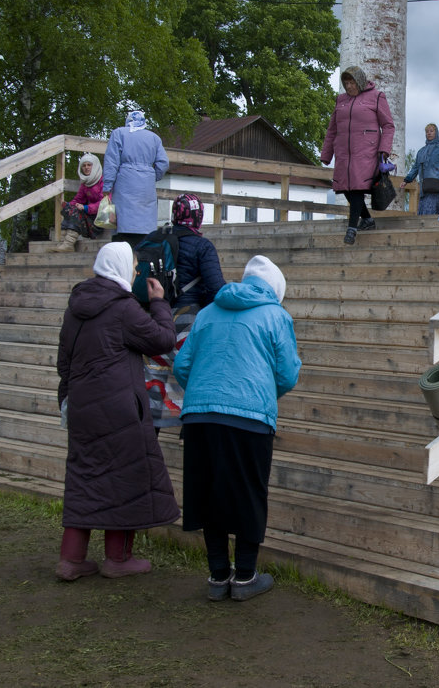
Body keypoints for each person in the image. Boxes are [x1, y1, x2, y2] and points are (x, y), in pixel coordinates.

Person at [173, 255, 301, 602]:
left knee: (207, 494)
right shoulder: (277, 316)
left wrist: (204, 391)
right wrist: (258, 391)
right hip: (249, 419)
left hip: (199, 416)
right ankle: (245, 577)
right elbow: (287, 373)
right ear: (276, 288)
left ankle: (217, 576)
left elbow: (182, 364)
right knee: (249, 494)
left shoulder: (208, 312)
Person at [55, 242, 179, 581]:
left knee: (84, 479)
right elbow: (162, 340)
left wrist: (68, 399)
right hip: (119, 409)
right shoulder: (123, 308)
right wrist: (158, 302)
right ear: (122, 268)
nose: (137, 272)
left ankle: (71, 560)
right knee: (127, 478)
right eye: (135, 267)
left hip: (82, 406)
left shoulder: (76, 306)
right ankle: (119, 559)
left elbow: (63, 362)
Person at [144, 193, 226, 424]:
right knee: (194, 374)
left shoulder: (153, 239)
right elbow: (216, 287)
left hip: (153, 317)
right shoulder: (202, 246)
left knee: (154, 376)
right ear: (198, 216)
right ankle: (188, 429)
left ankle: (150, 431)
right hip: (188, 320)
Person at [320, 66, 395, 245]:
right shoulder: (341, 100)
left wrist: (384, 149)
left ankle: (352, 228)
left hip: (366, 151)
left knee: (356, 188)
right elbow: (332, 130)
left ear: (360, 81)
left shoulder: (377, 96)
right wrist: (326, 153)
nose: (349, 86)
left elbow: (388, 125)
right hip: (344, 152)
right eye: (346, 83)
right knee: (344, 187)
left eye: (352, 82)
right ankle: (367, 219)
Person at [103, 109, 168, 248]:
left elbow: (111, 162)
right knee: (145, 232)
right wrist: (152, 176)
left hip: (124, 183)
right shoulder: (154, 138)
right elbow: (163, 163)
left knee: (123, 229)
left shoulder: (119, 134)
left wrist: (107, 187)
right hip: (146, 188)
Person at [54, 154, 105, 252]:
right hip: (91, 216)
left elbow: (104, 203)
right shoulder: (85, 183)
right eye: (84, 165)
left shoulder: (103, 182)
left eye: (89, 165)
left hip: (101, 220)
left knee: (76, 212)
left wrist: (86, 208)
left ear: (95, 166)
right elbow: (78, 199)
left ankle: (68, 244)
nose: (86, 167)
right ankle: (63, 242)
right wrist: (68, 205)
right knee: (69, 209)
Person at [402, 124, 439, 216]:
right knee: (423, 214)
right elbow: (415, 167)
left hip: (438, 188)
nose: (429, 133)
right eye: (427, 131)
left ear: (436, 132)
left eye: (431, 131)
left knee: (434, 213)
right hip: (424, 189)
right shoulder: (421, 151)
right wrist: (407, 180)